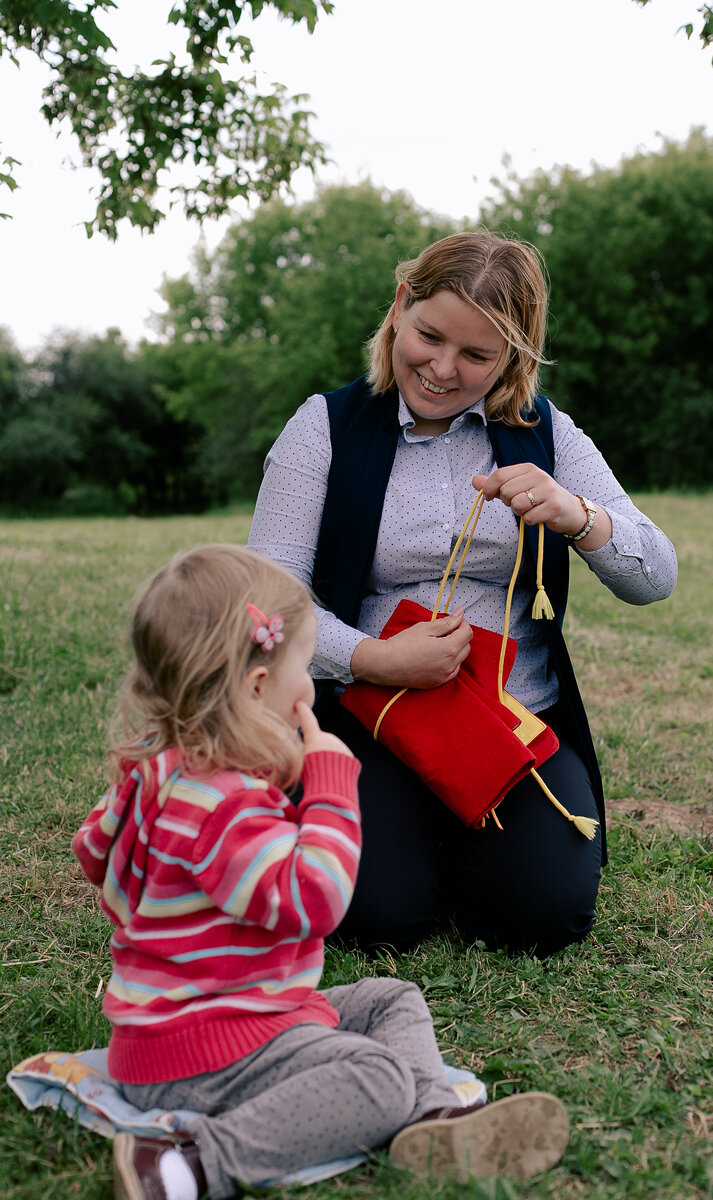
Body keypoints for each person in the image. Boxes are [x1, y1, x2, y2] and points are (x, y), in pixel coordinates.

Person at [73, 543, 570, 1200]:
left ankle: (434, 1121)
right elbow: (316, 901)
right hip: (201, 1054)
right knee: (374, 1077)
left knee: (390, 1000)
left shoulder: (159, 769)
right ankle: (186, 1165)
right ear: (256, 690)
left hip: (203, 1023)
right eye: (303, 669)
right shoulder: (224, 803)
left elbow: (94, 852)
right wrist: (331, 785)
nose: (310, 688)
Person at [248, 230, 678, 957]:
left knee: (539, 921)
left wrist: (578, 515)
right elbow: (266, 605)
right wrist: (376, 658)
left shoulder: (551, 436)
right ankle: (412, 840)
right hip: (367, 718)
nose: (442, 369)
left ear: (514, 356)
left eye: (476, 355)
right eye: (429, 336)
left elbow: (655, 576)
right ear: (399, 307)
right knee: (378, 920)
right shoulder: (322, 428)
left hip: (508, 726)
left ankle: (456, 842)